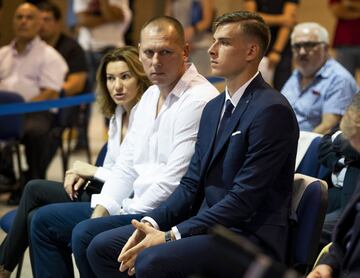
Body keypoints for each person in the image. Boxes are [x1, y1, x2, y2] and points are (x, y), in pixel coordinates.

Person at [83, 11, 299, 278]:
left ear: (251, 51)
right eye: (213, 41)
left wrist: (173, 234)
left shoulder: (271, 109)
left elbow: (244, 199)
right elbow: (190, 183)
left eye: (224, 42)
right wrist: (152, 222)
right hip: (209, 225)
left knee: (150, 259)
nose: (211, 49)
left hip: (248, 235)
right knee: (101, 247)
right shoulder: (214, 108)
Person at [29, 16, 218, 278]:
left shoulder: (199, 99)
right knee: (43, 221)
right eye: (149, 52)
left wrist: (120, 213)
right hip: (132, 205)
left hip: (165, 212)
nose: (156, 61)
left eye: (166, 52)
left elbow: (174, 182)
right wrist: (102, 210)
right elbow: (126, 167)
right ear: (139, 52)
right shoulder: (150, 95)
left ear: (185, 51)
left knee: (86, 234)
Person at [0, 46, 150, 278]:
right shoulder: (118, 115)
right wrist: (87, 173)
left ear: (140, 78)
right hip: (103, 187)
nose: (116, 86)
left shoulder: (146, 116)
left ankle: (3, 266)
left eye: (125, 76)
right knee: (34, 190)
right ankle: (3, 266)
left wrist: (91, 170)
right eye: (110, 78)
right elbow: (111, 168)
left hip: (124, 200)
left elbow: (134, 178)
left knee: (35, 208)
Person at [0, 3, 68, 198]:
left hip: (36, 110)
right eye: (19, 17)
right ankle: (7, 176)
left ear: (40, 23)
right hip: (4, 112)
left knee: (35, 131)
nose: (23, 21)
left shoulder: (50, 56)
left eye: (29, 17)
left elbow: (50, 92)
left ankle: (32, 182)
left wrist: (21, 109)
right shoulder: (3, 54)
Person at [308, 93, 360, 278]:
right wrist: (328, 265)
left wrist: (339, 141)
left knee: (314, 229)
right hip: (338, 188)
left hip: (346, 192)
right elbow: (326, 142)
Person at [281, 22, 358, 135]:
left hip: (308, 147)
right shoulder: (297, 73)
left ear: (326, 48)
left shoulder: (339, 79)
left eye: (309, 45)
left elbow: (328, 127)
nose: (302, 52)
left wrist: (293, 145)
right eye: (297, 46)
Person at [244, 0, 299, 90]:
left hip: (281, 48)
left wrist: (276, 51)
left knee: (282, 88)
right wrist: (282, 19)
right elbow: (251, 19)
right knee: (253, 88)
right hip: (257, 46)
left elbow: (287, 26)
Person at [164, 0, 214, 76]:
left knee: (201, 79)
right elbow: (167, 20)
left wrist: (193, 31)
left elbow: (207, 20)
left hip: (200, 45)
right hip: (180, 44)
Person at [329, 0, 360, 77]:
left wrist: (349, 5)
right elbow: (336, 10)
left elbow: (343, 6)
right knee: (344, 80)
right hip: (344, 43)